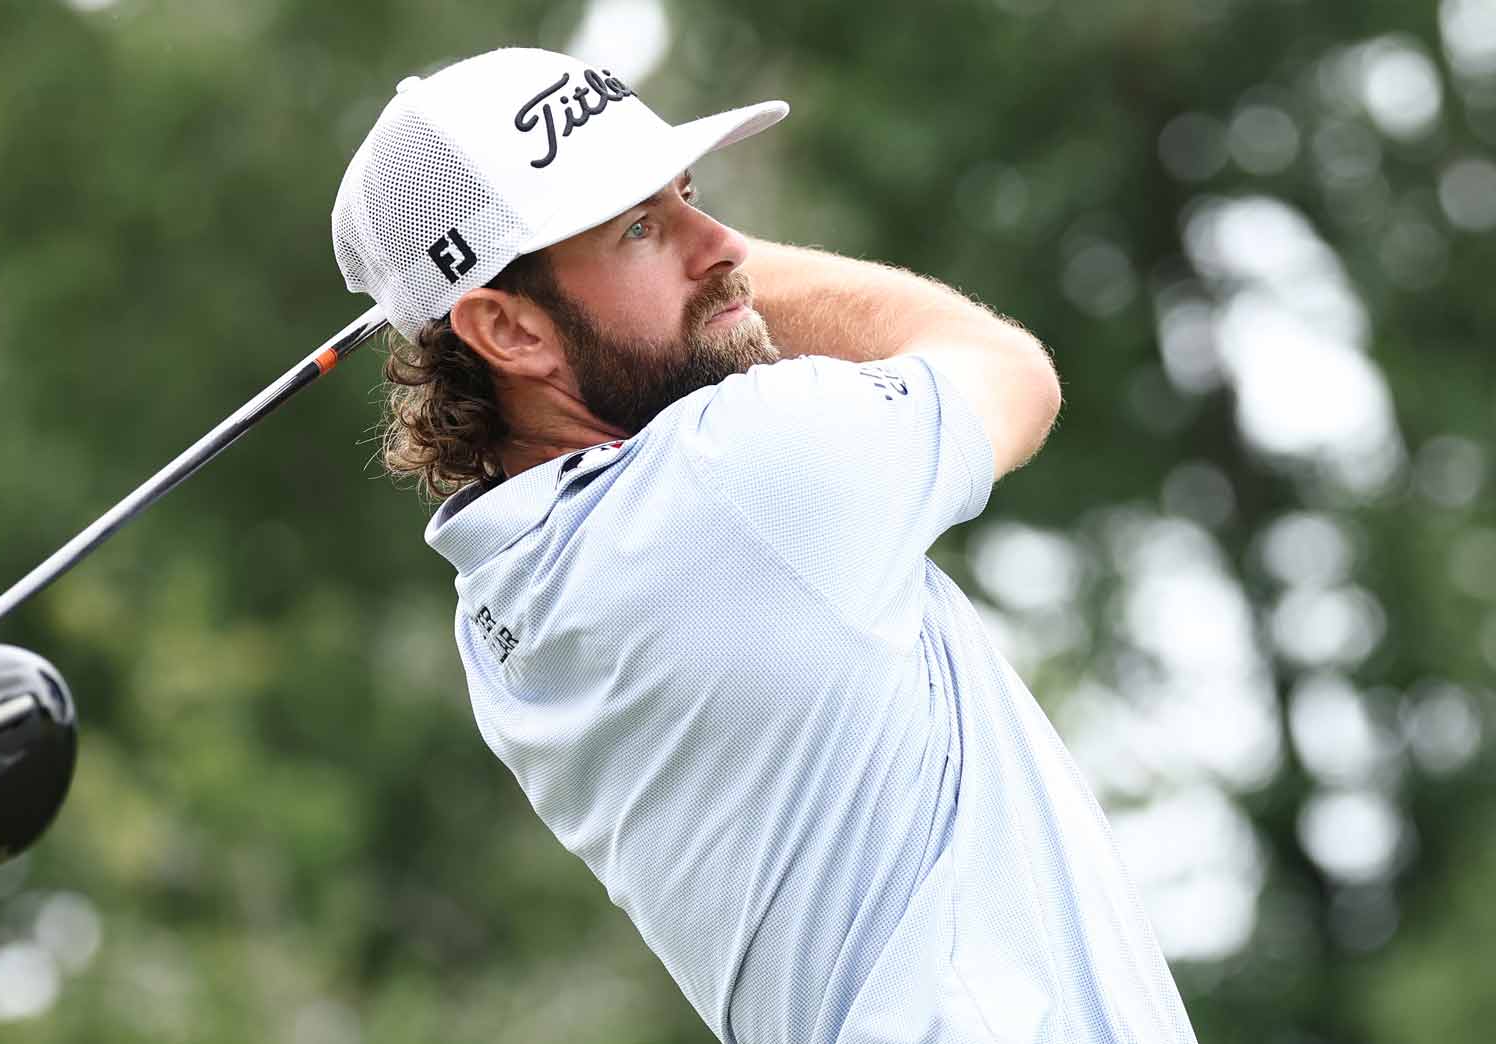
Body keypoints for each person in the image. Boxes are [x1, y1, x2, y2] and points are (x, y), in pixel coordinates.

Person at [331, 47, 1199, 1044]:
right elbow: (1010, 374)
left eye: (689, 193)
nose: (722, 242)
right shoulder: (737, 468)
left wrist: (671, 264)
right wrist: (729, 289)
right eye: (641, 228)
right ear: (510, 332)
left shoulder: (499, 609)